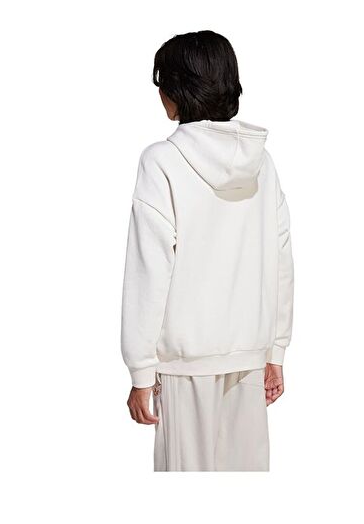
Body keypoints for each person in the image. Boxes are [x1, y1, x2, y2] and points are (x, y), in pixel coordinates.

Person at [121, 30, 294, 471]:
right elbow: (281, 261)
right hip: (249, 359)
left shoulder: (162, 161)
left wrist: (141, 371)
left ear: (177, 90)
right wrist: (274, 351)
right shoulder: (262, 163)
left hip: (185, 364)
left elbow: (149, 271)